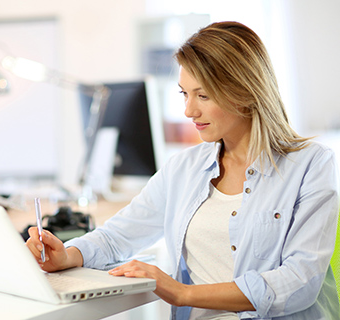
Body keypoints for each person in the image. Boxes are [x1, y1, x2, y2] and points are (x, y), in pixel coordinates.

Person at [26, 21, 340, 319]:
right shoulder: (184, 168)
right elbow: (116, 237)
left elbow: (300, 282)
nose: (189, 110)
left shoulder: (311, 164)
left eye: (203, 95)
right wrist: (67, 255)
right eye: (184, 93)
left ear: (245, 94)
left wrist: (183, 293)